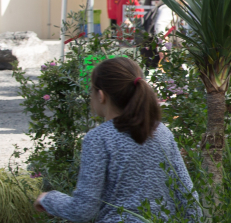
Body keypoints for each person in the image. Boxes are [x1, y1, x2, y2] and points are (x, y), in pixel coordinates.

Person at [35, 57, 197, 222]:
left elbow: (82, 210)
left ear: (101, 95)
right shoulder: (162, 133)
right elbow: (189, 198)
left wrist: (48, 199)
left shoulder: (99, 139)